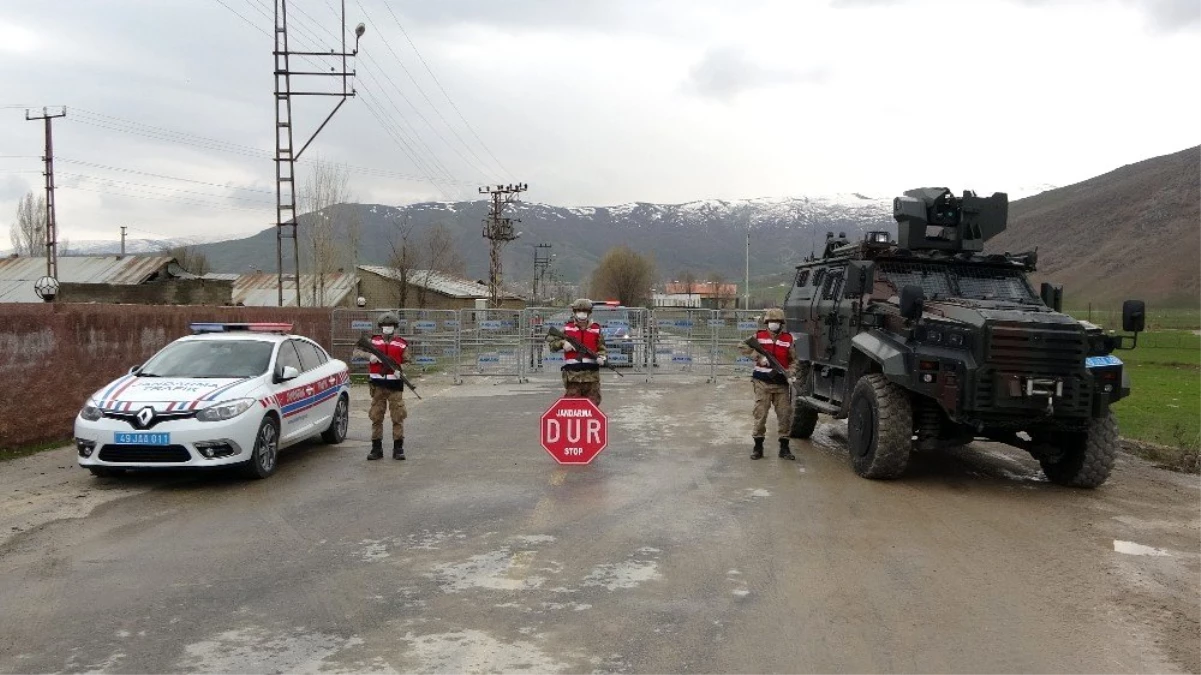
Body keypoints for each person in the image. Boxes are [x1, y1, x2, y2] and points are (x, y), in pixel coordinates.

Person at [738, 307, 801, 460]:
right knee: (760, 415)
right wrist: (759, 357)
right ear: (767, 322)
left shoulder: (788, 339)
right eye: (772, 321)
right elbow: (742, 346)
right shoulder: (759, 336)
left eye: (777, 322)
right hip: (762, 382)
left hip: (781, 385)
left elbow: (795, 360)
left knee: (785, 416)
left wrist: (790, 373)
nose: (774, 324)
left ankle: (784, 448)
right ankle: (758, 447)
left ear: (782, 323)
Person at [363, 313, 408, 461]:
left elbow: (409, 362)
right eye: (385, 326)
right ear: (381, 327)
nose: (387, 329)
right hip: (377, 386)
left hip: (395, 386)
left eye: (390, 326)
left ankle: (398, 448)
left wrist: (399, 369)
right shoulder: (373, 342)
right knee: (376, 416)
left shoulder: (402, 344)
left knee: (397, 417)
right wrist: (370, 356)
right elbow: (356, 351)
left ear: (395, 328)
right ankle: (376, 448)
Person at [547, 298, 608, 405]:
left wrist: (602, 357)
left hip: (591, 379)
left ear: (589, 313)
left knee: (592, 408)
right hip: (572, 378)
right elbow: (551, 343)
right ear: (574, 312)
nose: (582, 315)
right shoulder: (567, 329)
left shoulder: (596, 329)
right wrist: (563, 343)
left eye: (585, 312)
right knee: (572, 407)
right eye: (579, 311)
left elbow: (601, 348)